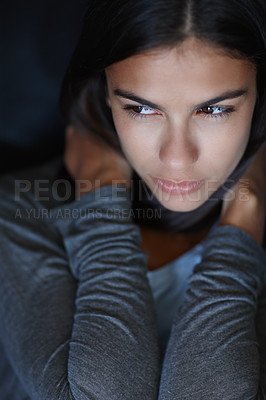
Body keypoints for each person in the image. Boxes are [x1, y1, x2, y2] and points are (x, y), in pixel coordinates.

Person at [0, 0, 265, 398]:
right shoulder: (20, 208)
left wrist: (248, 208)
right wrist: (101, 190)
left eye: (214, 109)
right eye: (141, 108)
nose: (177, 157)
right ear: (106, 94)